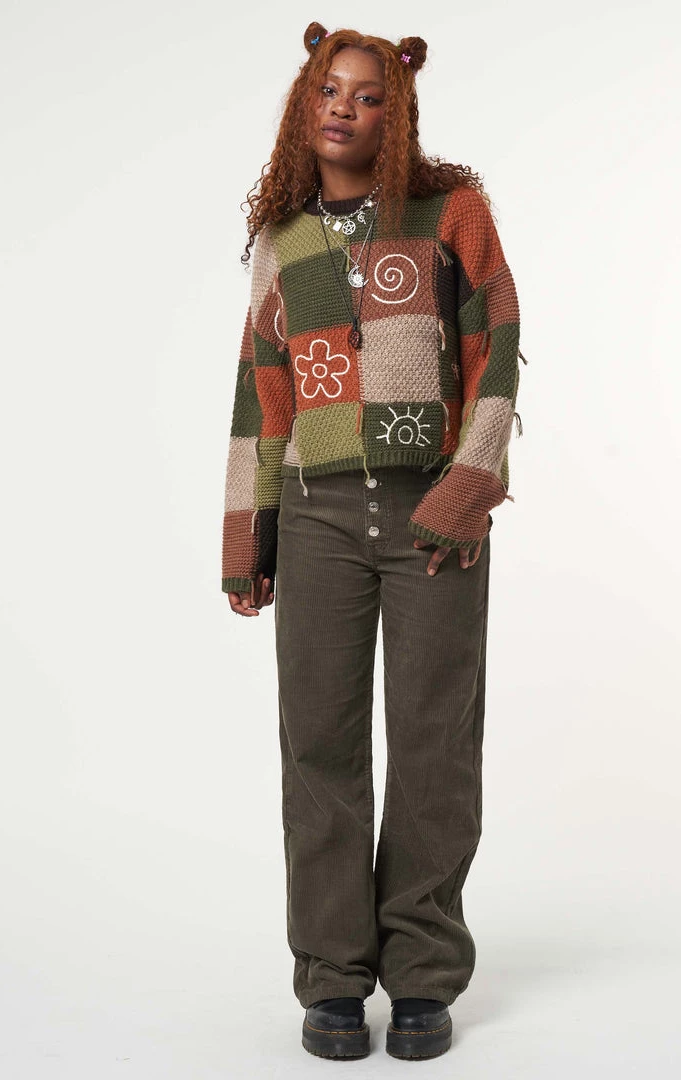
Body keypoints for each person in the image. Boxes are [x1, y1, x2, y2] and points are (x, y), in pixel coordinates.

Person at [221, 21, 525, 1061]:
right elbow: (263, 392)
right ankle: (334, 979)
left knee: (435, 745)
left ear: (398, 115)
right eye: (327, 91)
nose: (343, 109)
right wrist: (249, 537)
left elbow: (497, 347)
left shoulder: (451, 213)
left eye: (367, 96)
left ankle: (425, 975)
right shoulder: (285, 237)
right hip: (316, 520)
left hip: (433, 514)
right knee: (320, 749)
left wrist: (469, 489)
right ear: (303, 105)